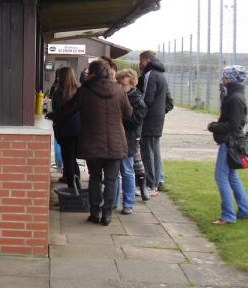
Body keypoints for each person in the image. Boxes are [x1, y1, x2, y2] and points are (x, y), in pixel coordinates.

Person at [53, 59, 132, 226]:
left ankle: (95, 212)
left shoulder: (85, 91)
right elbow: (128, 113)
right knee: (111, 180)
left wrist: (54, 117)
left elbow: (68, 110)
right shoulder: (119, 90)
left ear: (94, 73)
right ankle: (107, 214)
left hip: (92, 141)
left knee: (95, 178)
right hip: (116, 142)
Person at [207, 65, 248, 224]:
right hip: (233, 141)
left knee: (221, 177)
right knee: (232, 177)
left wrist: (214, 126)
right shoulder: (236, 95)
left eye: (225, 76)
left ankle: (228, 215)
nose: (222, 79)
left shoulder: (234, 98)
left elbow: (233, 124)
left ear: (230, 78)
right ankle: (245, 210)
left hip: (230, 142)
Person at [137, 50, 173, 194]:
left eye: (140, 61)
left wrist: (139, 115)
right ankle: (156, 182)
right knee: (155, 152)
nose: (139, 64)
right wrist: (159, 112)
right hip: (157, 119)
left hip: (149, 120)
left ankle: (150, 185)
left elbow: (147, 99)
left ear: (146, 60)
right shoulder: (162, 75)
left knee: (148, 153)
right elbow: (169, 101)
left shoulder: (150, 75)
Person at [114, 69, 148, 214]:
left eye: (123, 84)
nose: (120, 86)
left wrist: (119, 115)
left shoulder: (138, 101)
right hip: (116, 139)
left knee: (127, 171)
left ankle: (128, 203)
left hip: (128, 140)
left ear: (132, 84)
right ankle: (113, 201)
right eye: (118, 83)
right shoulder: (118, 96)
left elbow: (134, 122)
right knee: (114, 173)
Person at [50, 67, 81, 189]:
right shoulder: (79, 90)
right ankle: (77, 187)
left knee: (68, 160)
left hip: (64, 130)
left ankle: (72, 189)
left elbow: (57, 112)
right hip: (77, 130)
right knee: (72, 159)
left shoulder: (58, 93)